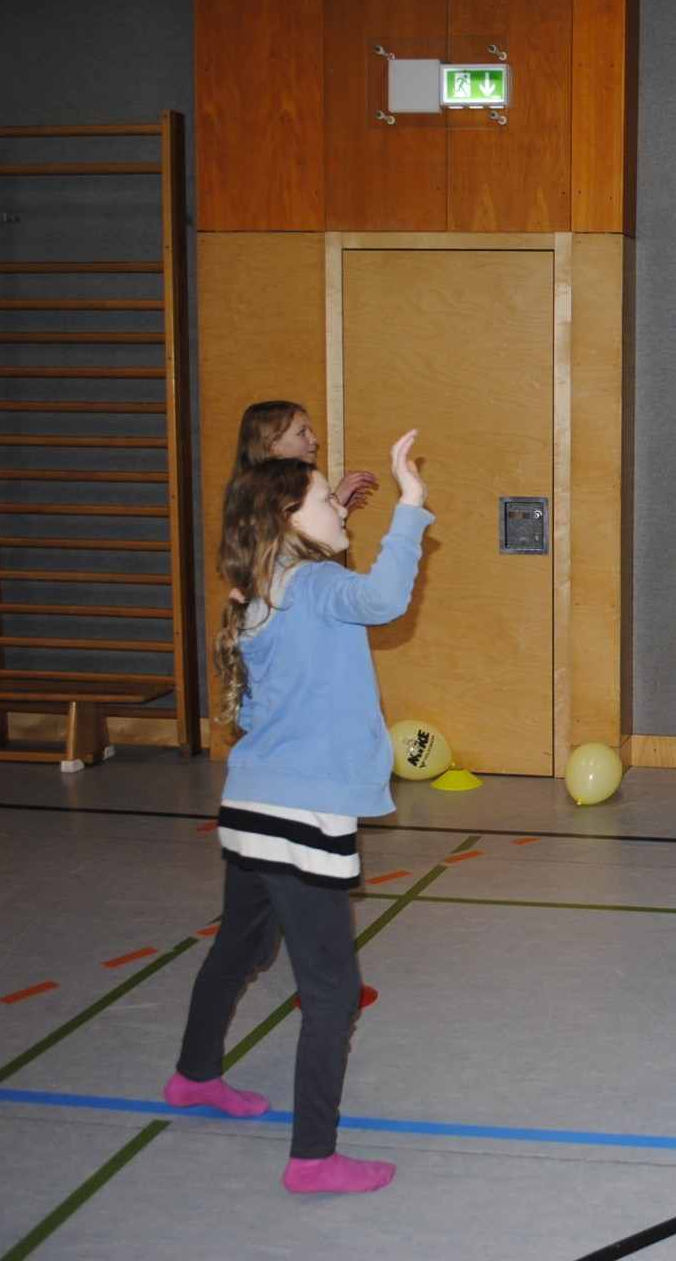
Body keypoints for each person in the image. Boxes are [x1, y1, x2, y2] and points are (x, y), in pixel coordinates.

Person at [163, 430, 432, 1195]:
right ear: (287, 517)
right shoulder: (311, 585)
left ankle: (194, 1076)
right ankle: (313, 1158)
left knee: (240, 948)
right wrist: (410, 505)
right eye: (324, 499)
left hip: (250, 808)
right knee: (332, 990)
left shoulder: (263, 588)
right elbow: (382, 599)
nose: (338, 507)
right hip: (300, 817)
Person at [232, 400, 378, 511]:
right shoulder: (265, 494)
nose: (314, 440)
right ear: (273, 445)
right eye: (302, 433)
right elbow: (297, 534)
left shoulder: (297, 484)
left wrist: (339, 513)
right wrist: (336, 502)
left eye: (310, 432)